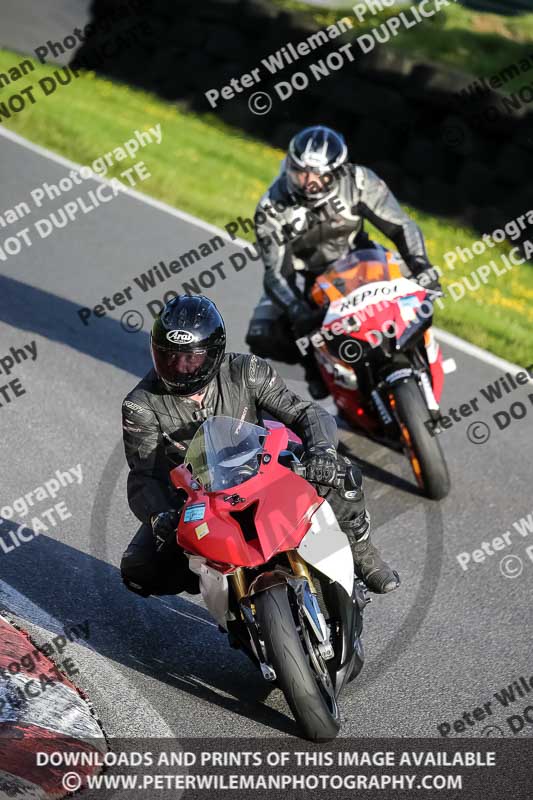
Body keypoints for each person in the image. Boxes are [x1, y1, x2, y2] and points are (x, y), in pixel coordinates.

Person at [120, 294, 400, 598]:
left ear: (213, 352)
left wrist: (322, 450)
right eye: (169, 357)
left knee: (342, 475)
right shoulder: (141, 406)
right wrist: (160, 513)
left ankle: (363, 553)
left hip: (262, 468)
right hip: (197, 496)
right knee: (140, 571)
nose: (180, 367)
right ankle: (217, 584)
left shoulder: (246, 371)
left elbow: (306, 412)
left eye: (191, 358)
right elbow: (144, 475)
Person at [245, 125, 441, 399]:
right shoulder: (272, 208)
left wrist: (422, 264)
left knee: (420, 288)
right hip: (311, 276)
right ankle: (318, 371)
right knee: (263, 332)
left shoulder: (358, 181)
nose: (307, 182)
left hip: (364, 256)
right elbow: (276, 273)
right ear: (288, 166)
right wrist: (297, 310)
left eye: (317, 175)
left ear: (336, 173)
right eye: (300, 172)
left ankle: (420, 349)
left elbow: (401, 226)